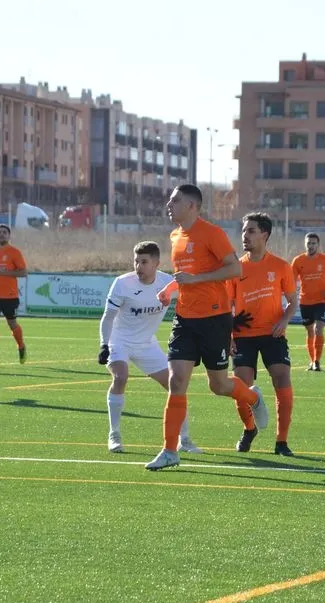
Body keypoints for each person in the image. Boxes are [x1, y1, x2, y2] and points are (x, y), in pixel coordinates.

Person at [144, 184, 268, 471]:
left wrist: (195, 280)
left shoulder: (212, 233)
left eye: (175, 200)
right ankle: (170, 450)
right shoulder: (175, 235)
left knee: (218, 385)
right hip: (184, 319)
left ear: (192, 205)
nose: (169, 204)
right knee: (177, 381)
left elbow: (235, 269)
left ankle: (252, 397)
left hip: (214, 319)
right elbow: (185, 276)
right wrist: (170, 290)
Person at [98, 241, 201, 454]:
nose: (138, 266)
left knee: (176, 386)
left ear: (156, 263)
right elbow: (108, 317)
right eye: (136, 261)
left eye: (144, 262)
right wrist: (104, 344)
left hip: (147, 344)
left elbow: (191, 304)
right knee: (120, 377)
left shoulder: (168, 283)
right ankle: (114, 434)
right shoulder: (122, 283)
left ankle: (185, 439)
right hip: (120, 341)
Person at [227, 212, 299, 456]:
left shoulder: (281, 266)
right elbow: (226, 306)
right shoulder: (236, 268)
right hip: (243, 336)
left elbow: (293, 301)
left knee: (282, 380)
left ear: (265, 235)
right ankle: (249, 429)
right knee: (240, 386)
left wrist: (284, 319)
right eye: (243, 230)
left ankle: (282, 442)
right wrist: (227, 335)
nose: (244, 235)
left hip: (272, 335)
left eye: (251, 231)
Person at [291, 233, 325, 371]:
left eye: (313, 243)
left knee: (319, 329)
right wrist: (290, 295)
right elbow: (291, 280)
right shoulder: (298, 261)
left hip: (322, 300)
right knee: (310, 331)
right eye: (308, 243)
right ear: (305, 244)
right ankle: (312, 361)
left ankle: (317, 361)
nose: (311, 246)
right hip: (305, 301)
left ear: (318, 245)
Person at [0, 224, 28, 365]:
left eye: (4, 232)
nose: (1, 235)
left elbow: (23, 272)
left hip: (10, 296)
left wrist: (7, 273)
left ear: (9, 236)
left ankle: (21, 346)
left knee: (12, 324)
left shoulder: (14, 252)